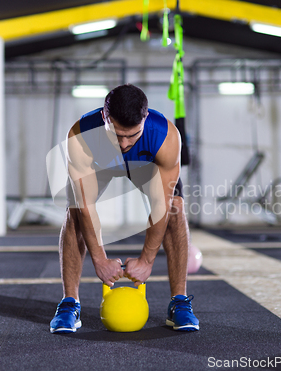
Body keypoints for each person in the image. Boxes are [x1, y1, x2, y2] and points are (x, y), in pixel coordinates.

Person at [50, 84, 199, 333]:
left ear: (145, 119)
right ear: (105, 118)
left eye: (133, 135)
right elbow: (86, 207)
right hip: (101, 164)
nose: (125, 143)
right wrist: (99, 260)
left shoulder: (166, 137)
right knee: (75, 210)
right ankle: (69, 304)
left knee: (174, 207)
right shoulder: (81, 135)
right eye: (117, 134)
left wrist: (147, 260)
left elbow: (160, 206)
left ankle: (180, 303)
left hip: (146, 165)